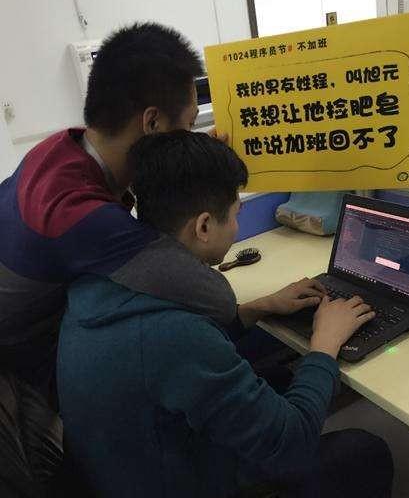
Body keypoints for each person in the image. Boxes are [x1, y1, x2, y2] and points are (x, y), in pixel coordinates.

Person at [58, 131, 393, 498]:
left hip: (129, 481)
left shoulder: (102, 281)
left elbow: (173, 355)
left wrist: (258, 308)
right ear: (203, 226)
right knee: (365, 452)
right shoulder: (174, 335)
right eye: (235, 214)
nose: (237, 225)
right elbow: (292, 441)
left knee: (277, 377)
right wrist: (324, 345)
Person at [0, 22, 236, 393]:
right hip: (28, 378)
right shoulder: (79, 215)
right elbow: (218, 301)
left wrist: (197, 162)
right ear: (152, 122)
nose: (191, 138)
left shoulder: (56, 150)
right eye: (189, 125)